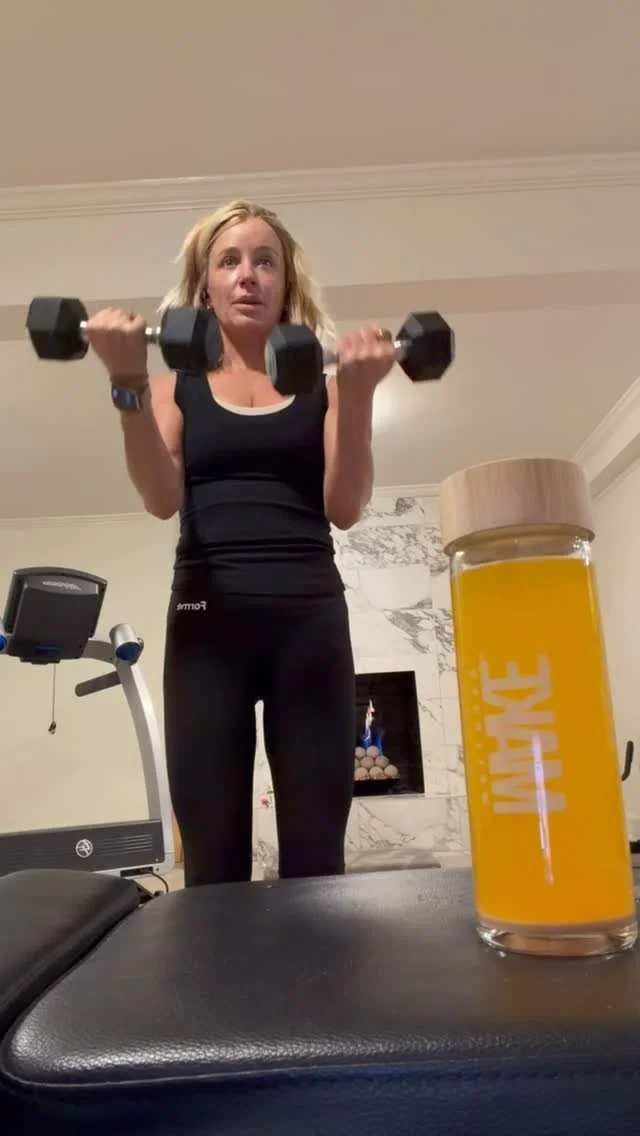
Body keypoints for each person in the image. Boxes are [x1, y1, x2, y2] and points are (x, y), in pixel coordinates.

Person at [86, 200, 396, 887]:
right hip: (207, 630)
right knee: (212, 865)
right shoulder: (174, 388)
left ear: (287, 283)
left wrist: (360, 395)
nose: (248, 275)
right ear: (205, 286)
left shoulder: (325, 387)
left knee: (318, 865)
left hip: (310, 627)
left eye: (265, 261)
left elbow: (345, 508)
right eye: (229, 261)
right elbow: (160, 498)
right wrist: (124, 381)